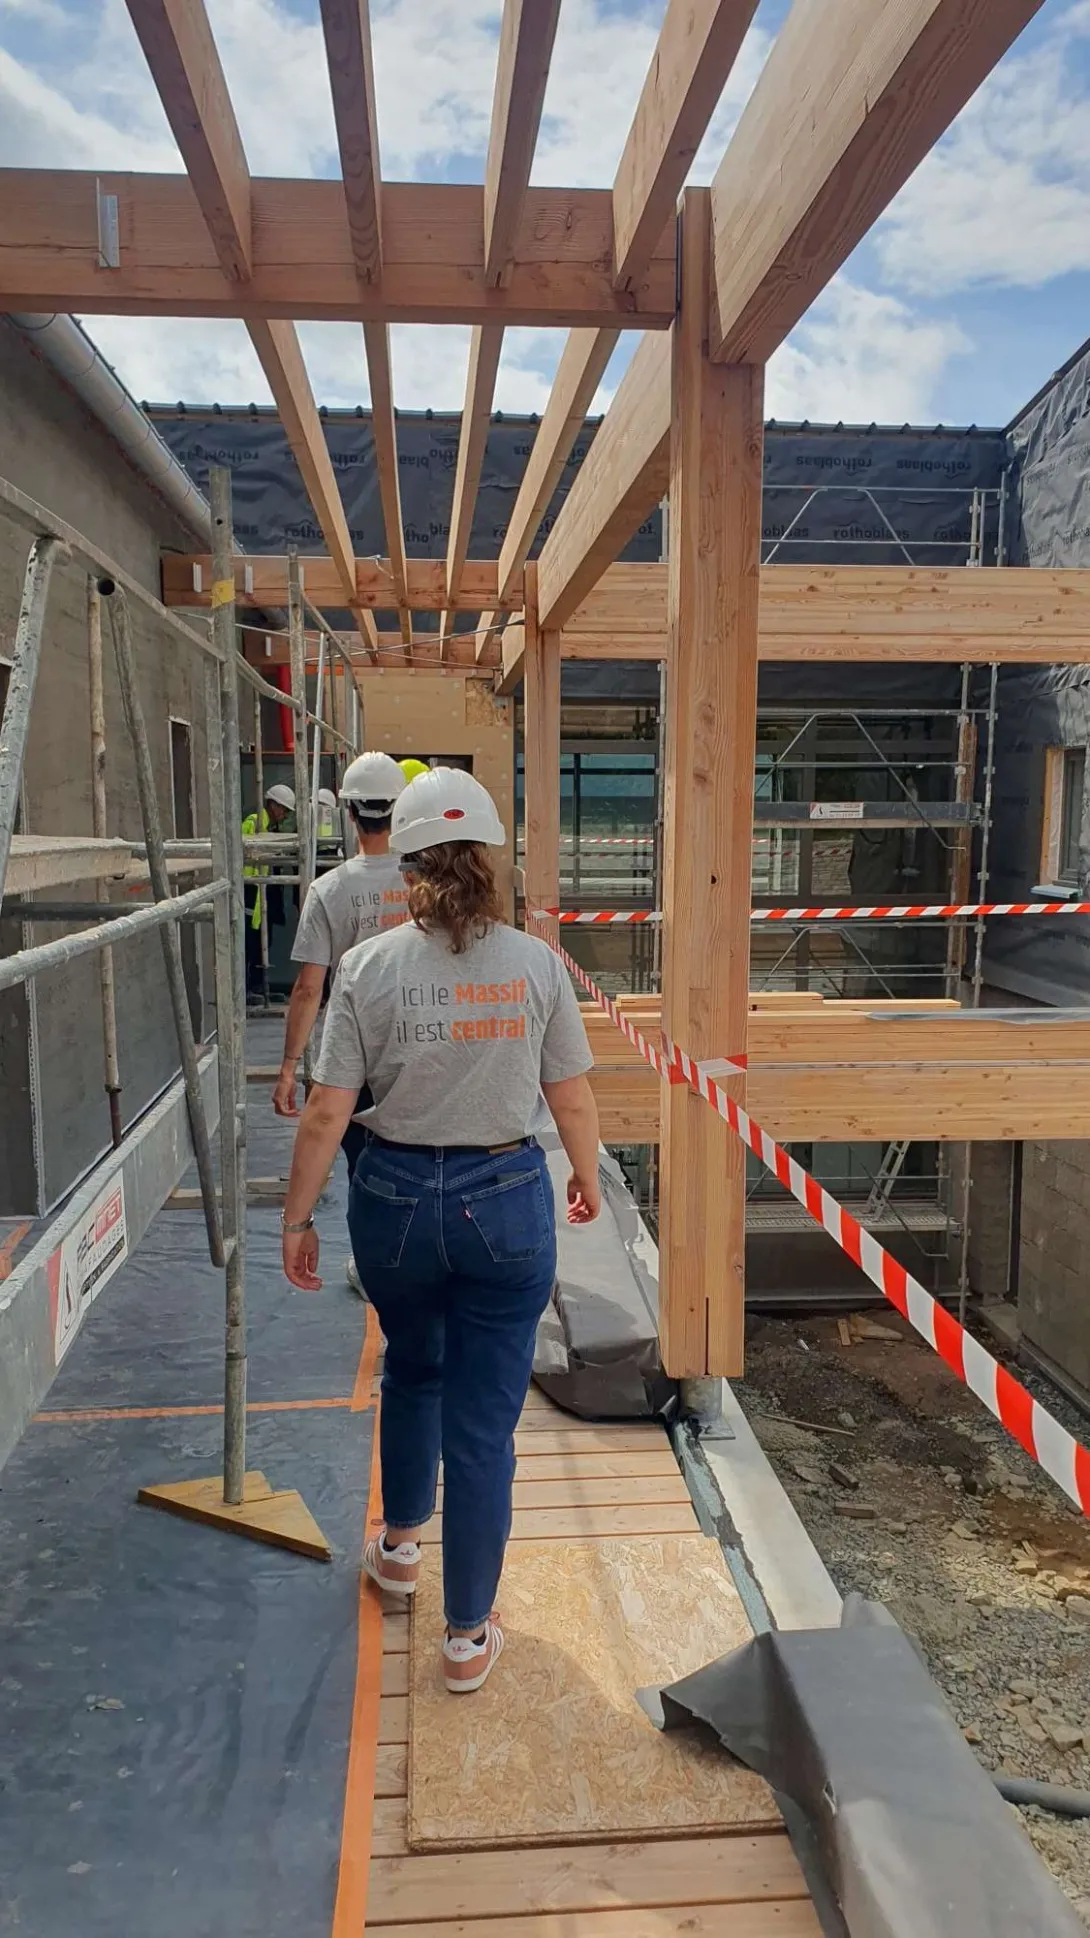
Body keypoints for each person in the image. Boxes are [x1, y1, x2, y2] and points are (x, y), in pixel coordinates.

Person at [280, 768, 601, 1693]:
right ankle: (465, 1639)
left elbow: (325, 1114)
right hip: (504, 1197)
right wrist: (583, 1174)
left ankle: (399, 1548)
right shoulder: (535, 963)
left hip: (395, 1203)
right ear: (489, 858)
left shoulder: (373, 966)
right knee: (485, 1423)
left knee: (412, 1370)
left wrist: (299, 1220)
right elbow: (570, 1095)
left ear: (409, 861)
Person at [273, 752, 409, 1291]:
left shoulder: (329, 891)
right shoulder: (425, 882)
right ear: (398, 812)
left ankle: (372, 1263)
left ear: (349, 813)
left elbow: (310, 988)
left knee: (363, 1168)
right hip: (416, 1040)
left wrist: (289, 1065)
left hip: (354, 1051)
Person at [243, 782, 296, 999]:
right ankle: (248, 988)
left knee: (262, 942)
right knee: (250, 942)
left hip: (261, 892)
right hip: (250, 890)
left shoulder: (269, 826)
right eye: (282, 809)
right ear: (273, 805)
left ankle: (257, 987)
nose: (283, 815)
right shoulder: (255, 823)